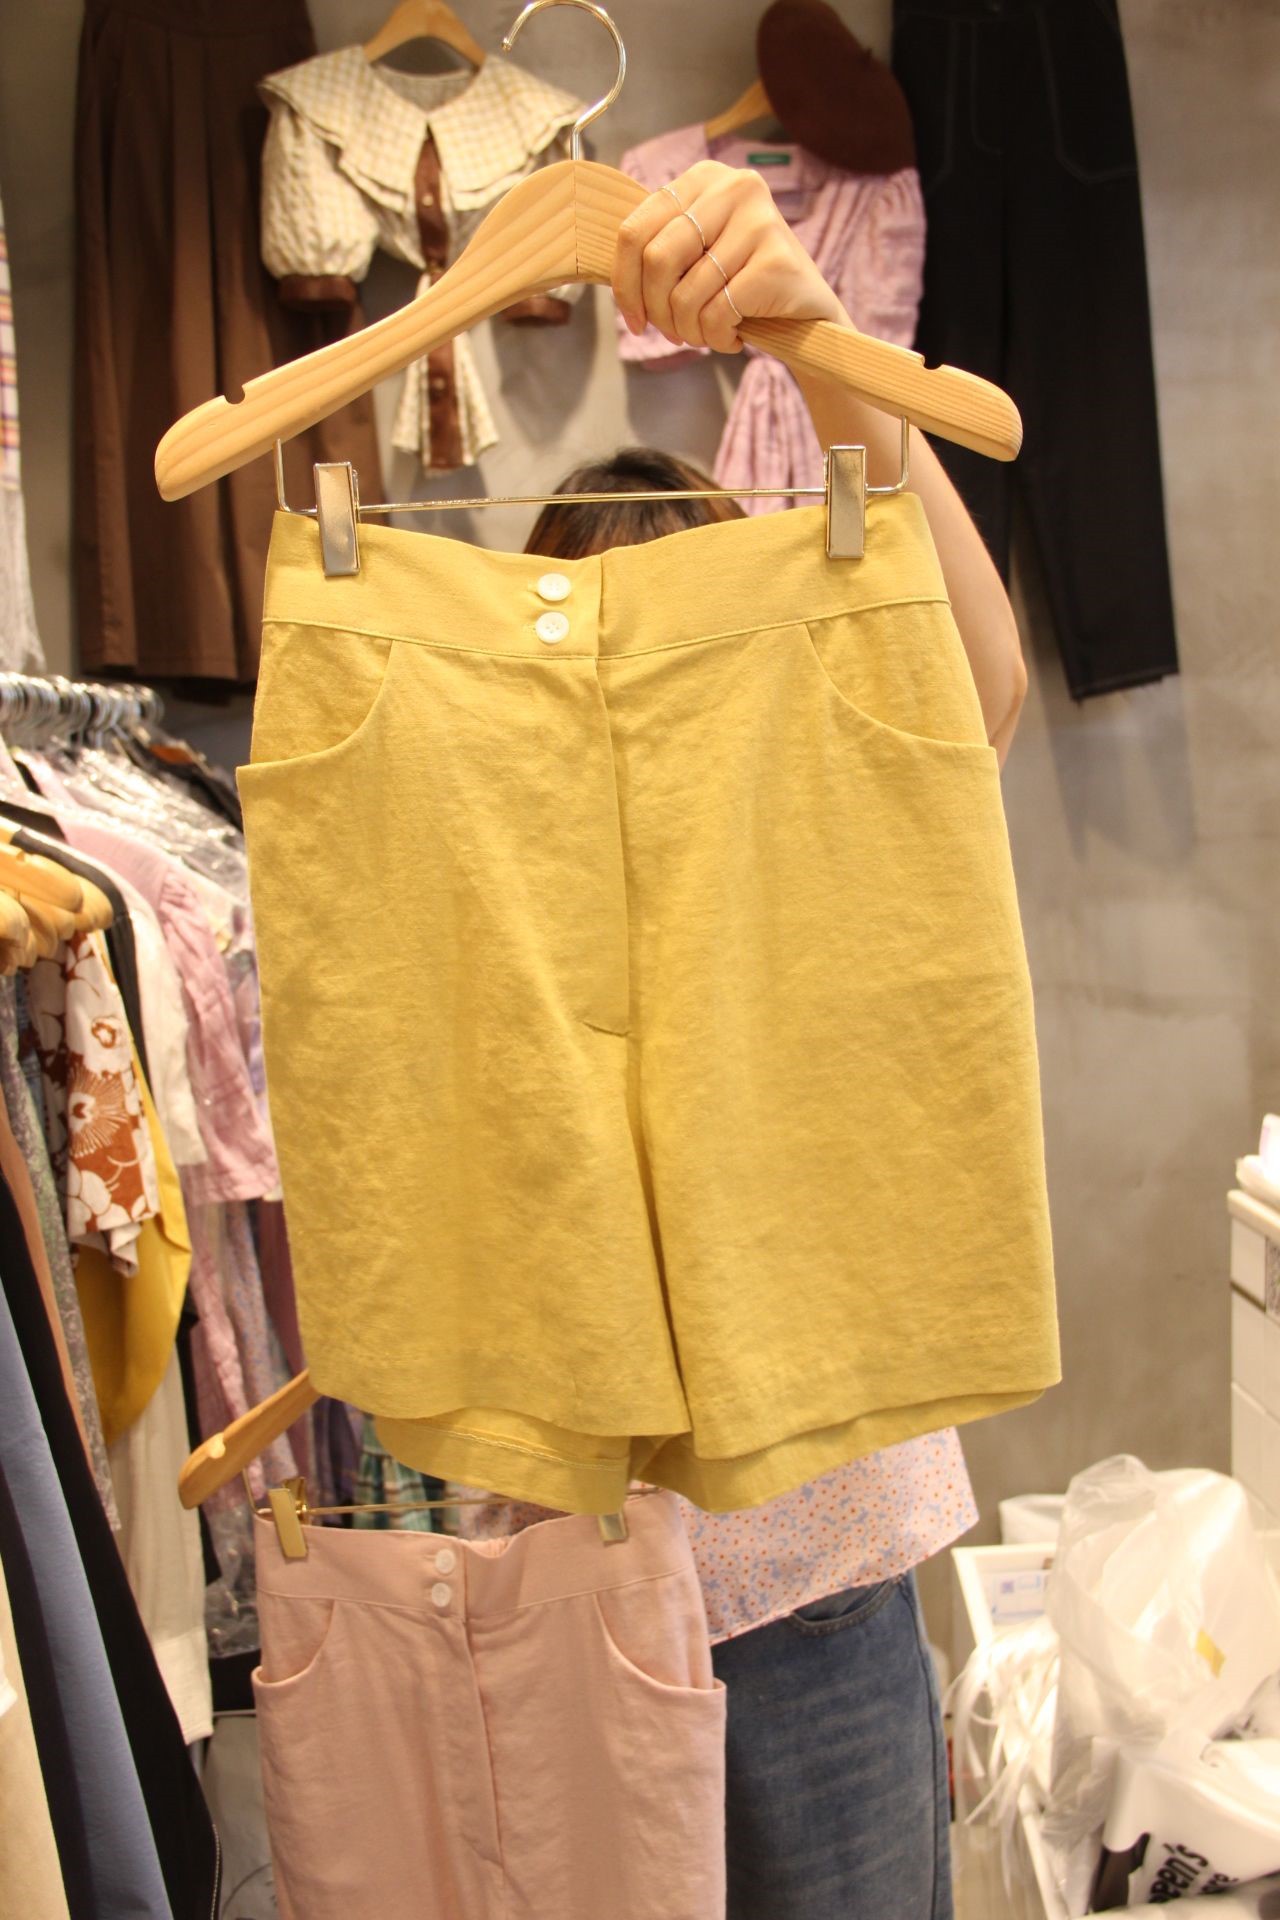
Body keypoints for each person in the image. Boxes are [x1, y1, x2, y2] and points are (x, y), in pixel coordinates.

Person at [460, 162, 1030, 1920]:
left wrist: (822, 345)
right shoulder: (481, 874)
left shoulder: (821, 840)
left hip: (820, 1585)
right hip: (561, 1592)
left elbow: (973, 687)